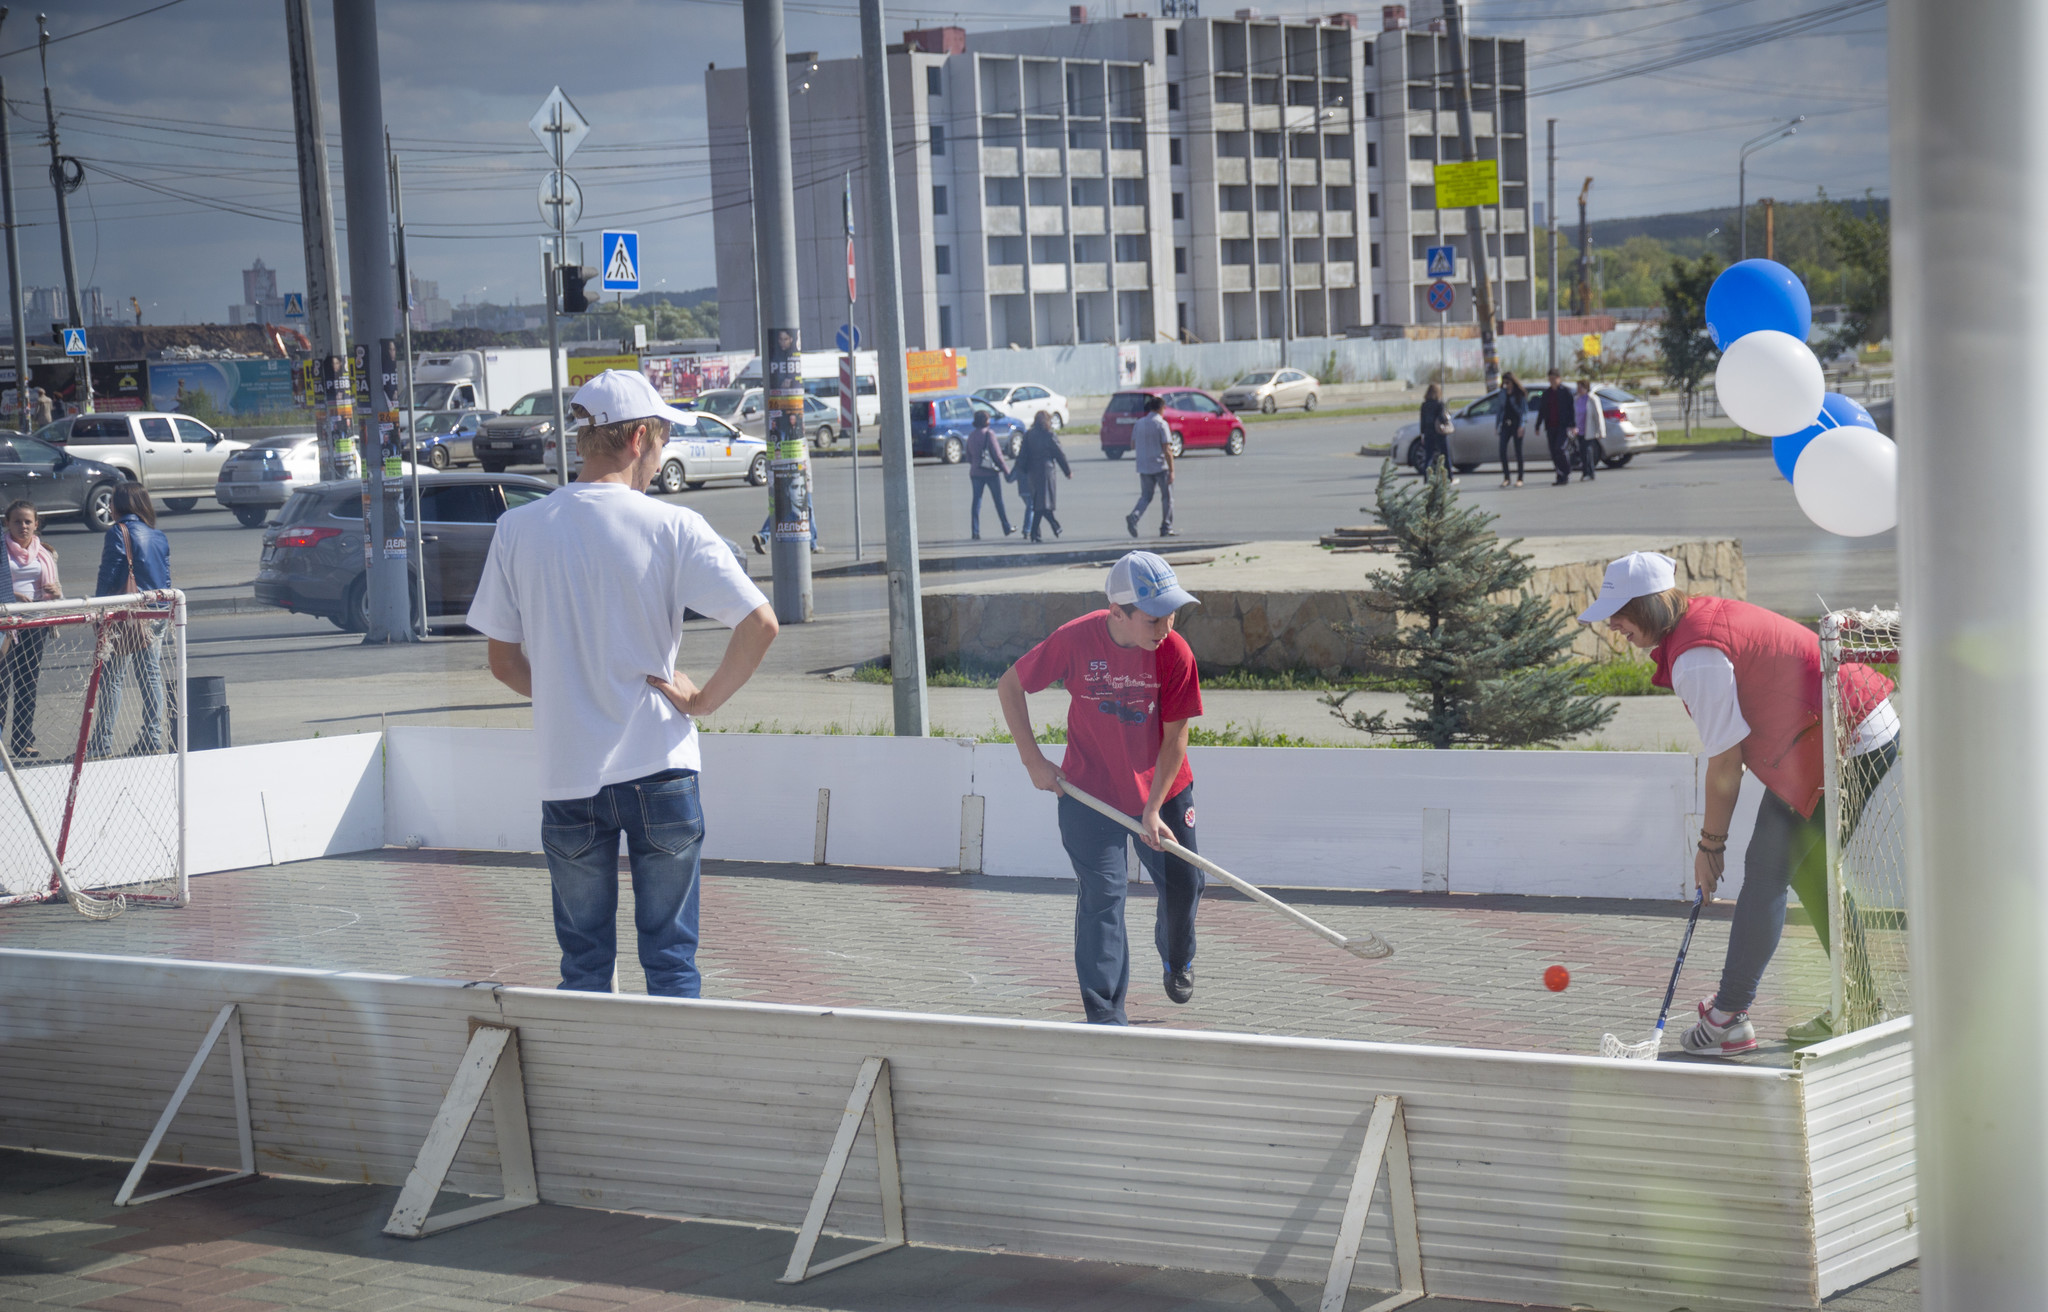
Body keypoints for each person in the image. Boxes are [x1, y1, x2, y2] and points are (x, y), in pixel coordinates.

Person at [469, 370, 779, 998]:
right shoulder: (672, 528)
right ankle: (667, 1093)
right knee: (670, 963)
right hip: (660, 768)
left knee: (583, 967)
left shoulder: (519, 530)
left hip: (568, 776)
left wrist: (565, 690)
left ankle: (589, 1089)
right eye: (662, 441)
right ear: (639, 437)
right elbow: (761, 624)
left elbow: (502, 662)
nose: (658, 456)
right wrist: (701, 701)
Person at [1579, 552, 1898, 1053]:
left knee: (1768, 870)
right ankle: (1859, 1005)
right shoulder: (1698, 626)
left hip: (1844, 737)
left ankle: (1728, 1017)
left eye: (1619, 612)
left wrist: (1710, 846)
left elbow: (1726, 766)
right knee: (1805, 870)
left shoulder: (1696, 657)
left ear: (1648, 605)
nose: (1613, 624)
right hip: (1841, 729)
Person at [995, 551, 1206, 1025]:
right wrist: (1034, 762)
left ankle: (1177, 957)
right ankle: (1106, 1016)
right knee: (1104, 896)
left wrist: (1152, 810)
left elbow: (1176, 741)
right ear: (1117, 612)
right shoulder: (1075, 640)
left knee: (1184, 884)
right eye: (1154, 617)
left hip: (1162, 790)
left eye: (1172, 612)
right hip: (1089, 793)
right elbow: (1010, 685)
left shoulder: (1176, 653)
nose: (1166, 626)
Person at [87, 483, 171, 759]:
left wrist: (101, 610)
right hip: (156, 611)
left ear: (119, 505)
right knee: (151, 676)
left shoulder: (118, 532)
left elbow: (109, 572)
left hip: (125, 614)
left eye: (112, 502)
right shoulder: (157, 535)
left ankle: (102, 743)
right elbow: (165, 578)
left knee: (111, 678)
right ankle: (152, 736)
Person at [2, 500, 61, 759]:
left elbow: (56, 592)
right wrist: (11, 594)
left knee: (28, 683)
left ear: (36, 524)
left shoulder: (45, 553)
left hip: (35, 624)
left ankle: (24, 740)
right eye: (17, 521)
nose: (23, 526)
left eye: (28, 521)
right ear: (7, 523)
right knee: (2, 686)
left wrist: (57, 592)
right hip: (5, 627)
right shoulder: (2, 551)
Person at [1013, 410, 1071, 543]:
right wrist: (1067, 471)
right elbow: (1059, 454)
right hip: (1046, 471)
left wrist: (1023, 470)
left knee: (1039, 502)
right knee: (1043, 504)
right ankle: (1049, 527)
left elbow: (1022, 454)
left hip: (1032, 473)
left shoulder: (1028, 435)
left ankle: (1040, 531)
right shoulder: (1049, 435)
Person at [1126, 394, 1176, 538]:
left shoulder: (1139, 423)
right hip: (1160, 466)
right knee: (1167, 497)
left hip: (1144, 466)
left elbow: (1132, 445)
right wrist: (1172, 470)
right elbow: (1167, 448)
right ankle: (1166, 526)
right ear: (1161, 408)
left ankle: (1134, 516)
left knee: (1146, 496)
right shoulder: (1161, 424)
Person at [965, 410, 1014, 540]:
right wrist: (1006, 470)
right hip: (990, 473)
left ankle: (975, 531)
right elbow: (998, 456)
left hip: (975, 472)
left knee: (976, 502)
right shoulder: (989, 434)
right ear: (985, 421)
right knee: (998, 501)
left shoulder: (971, 435)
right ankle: (1006, 527)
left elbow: (968, 456)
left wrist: (976, 463)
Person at [1532, 368, 1577, 486]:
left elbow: (1571, 410)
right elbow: (1542, 410)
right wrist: (1538, 425)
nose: (1552, 381)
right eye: (1550, 379)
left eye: (1554, 378)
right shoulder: (1547, 394)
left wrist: (1573, 425)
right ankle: (1560, 475)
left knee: (1560, 448)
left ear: (1559, 379)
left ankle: (1566, 470)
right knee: (1553, 452)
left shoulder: (1566, 392)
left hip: (1563, 426)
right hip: (1550, 426)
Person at [1496, 372, 1528, 488]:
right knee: (1502, 450)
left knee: (1518, 452)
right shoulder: (1502, 393)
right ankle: (1506, 477)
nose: (1506, 385)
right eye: (1504, 383)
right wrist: (1497, 425)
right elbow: (1499, 410)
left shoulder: (1519, 393)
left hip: (1516, 425)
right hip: (1505, 425)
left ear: (1513, 382)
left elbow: (1524, 412)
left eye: (1508, 382)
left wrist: (1521, 426)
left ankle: (1520, 478)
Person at [1573, 379, 1606, 483]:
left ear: (1586, 388)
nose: (1579, 389)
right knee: (1582, 453)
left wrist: (1601, 431)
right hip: (1579, 430)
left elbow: (1598, 415)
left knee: (1588, 452)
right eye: (1578, 387)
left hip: (1589, 430)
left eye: (1581, 387)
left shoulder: (1592, 399)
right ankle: (1586, 472)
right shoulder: (1576, 399)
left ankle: (1589, 473)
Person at [1417, 383, 1452, 481]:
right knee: (1445, 455)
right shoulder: (1439, 404)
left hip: (1428, 433)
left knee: (1429, 457)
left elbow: (1422, 420)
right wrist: (1446, 419)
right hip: (1439, 433)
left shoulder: (1424, 405)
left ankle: (1426, 478)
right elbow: (1441, 418)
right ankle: (1450, 477)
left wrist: (1422, 434)